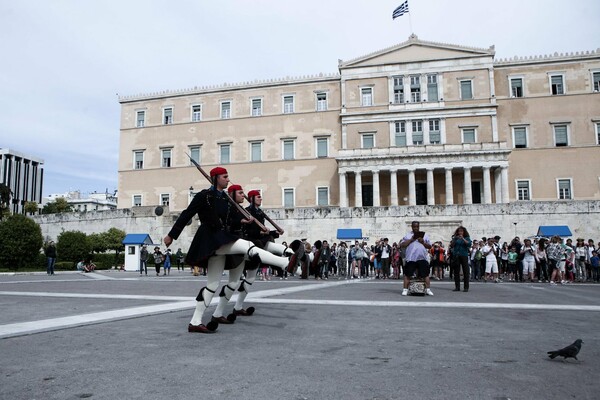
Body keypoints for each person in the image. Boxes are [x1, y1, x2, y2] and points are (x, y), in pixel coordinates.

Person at [163, 167, 289, 333]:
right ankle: (284, 262)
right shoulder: (204, 196)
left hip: (222, 237)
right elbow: (187, 214)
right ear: (215, 178)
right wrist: (172, 235)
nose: (228, 180)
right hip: (210, 237)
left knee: (212, 284)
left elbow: (232, 220)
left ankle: (195, 321)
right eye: (225, 177)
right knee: (247, 247)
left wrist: (245, 221)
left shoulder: (226, 199)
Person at [399, 221, 433, 296]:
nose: (416, 228)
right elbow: (402, 245)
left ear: (419, 226)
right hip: (411, 258)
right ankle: (405, 289)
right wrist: (411, 240)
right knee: (407, 274)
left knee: (425, 274)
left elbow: (430, 246)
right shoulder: (408, 235)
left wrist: (423, 242)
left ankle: (428, 289)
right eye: (414, 226)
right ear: (411, 227)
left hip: (422, 257)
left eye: (417, 226)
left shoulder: (424, 235)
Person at [450, 226, 472, 292]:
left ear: (464, 232)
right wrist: (455, 239)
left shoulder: (467, 238)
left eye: (461, 231)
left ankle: (466, 287)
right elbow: (452, 245)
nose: (460, 232)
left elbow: (469, 244)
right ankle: (457, 287)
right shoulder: (455, 238)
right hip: (456, 255)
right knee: (456, 271)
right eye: (459, 231)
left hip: (464, 255)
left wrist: (463, 239)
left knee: (465, 271)